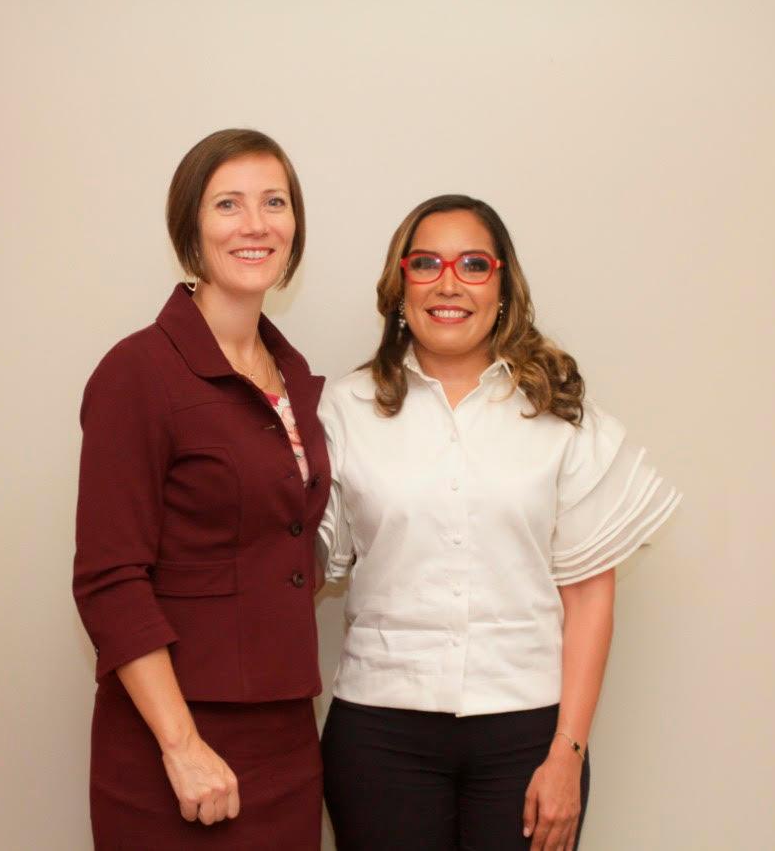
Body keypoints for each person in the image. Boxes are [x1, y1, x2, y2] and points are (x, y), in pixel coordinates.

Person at [317, 195, 680, 851]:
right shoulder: (343, 409)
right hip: (379, 732)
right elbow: (304, 555)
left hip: (528, 735)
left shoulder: (559, 410)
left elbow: (590, 591)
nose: (448, 282)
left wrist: (568, 751)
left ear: (504, 288)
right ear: (400, 287)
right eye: (426, 262)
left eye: (474, 264)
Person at [73, 128, 330, 849]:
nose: (256, 224)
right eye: (229, 204)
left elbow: (284, 547)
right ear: (191, 228)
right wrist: (182, 745)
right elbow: (110, 579)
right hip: (173, 741)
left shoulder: (296, 378)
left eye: (274, 202)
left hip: (284, 736)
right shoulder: (138, 372)